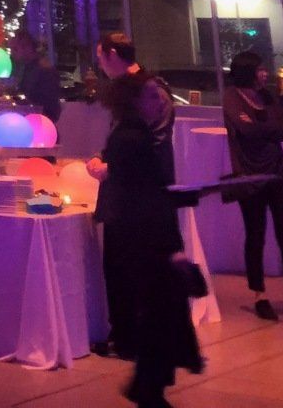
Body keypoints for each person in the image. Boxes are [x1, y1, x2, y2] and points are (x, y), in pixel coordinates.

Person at [89, 60, 202, 408]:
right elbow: (142, 195)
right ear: (136, 101)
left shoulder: (131, 136)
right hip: (147, 242)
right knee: (161, 315)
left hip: (144, 239)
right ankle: (147, 389)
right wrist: (169, 247)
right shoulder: (133, 140)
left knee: (161, 315)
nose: (161, 101)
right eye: (153, 96)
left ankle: (148, 387)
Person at [90, 31, 174, 359]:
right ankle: (123, 335)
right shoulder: (128, 89)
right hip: (127, 192)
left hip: (140, 194)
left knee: (133, 265)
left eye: (100, 57)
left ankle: (134, 338)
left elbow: (155, 142)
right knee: (120, 265)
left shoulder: (148, 88)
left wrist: (114, 167)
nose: (99, 64)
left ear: (112, 54)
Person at [222, 50, 283, 321]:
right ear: (247, 71)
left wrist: (267, 126)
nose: (265, 73)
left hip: (279, 174)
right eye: (259, 69)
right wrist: (273, 128)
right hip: (250, 176)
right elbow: (250, 131)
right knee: (255, 235)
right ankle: (260, 294)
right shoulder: (233, 96)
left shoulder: (268, 96)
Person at [10, 28, 63, 121]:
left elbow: (44, 102)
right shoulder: (31, 67)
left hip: (40, 121)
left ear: (27, 47)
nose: (12, 53)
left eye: (15, 49)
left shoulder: (41, 69)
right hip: (38, 120)